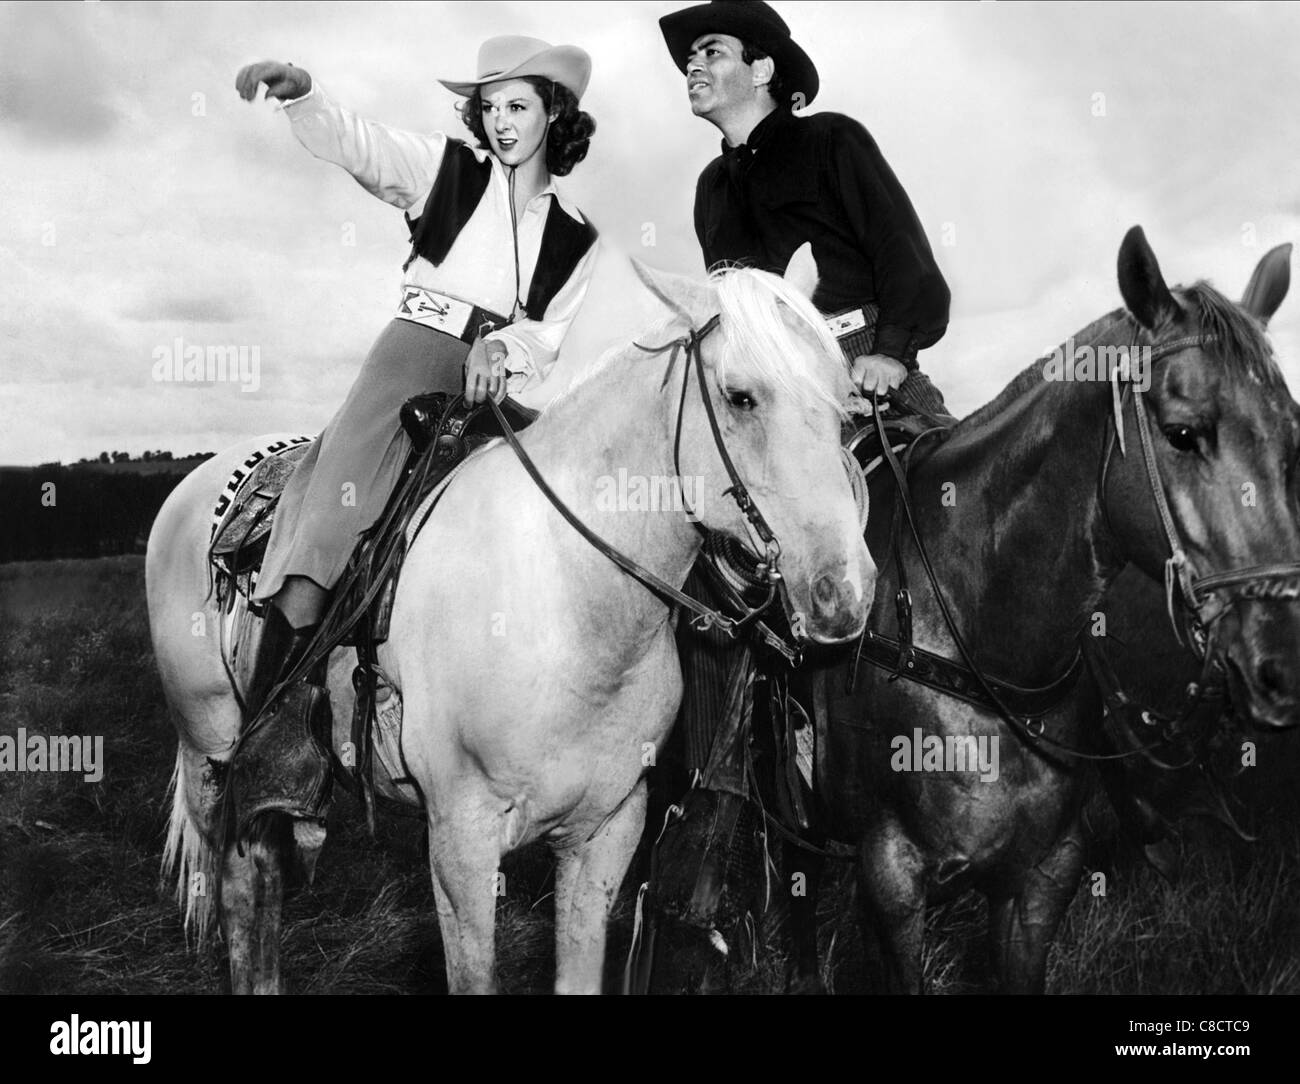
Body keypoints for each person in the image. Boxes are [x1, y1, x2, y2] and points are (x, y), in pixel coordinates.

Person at [648, 0, 951, 960]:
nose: (692, 65)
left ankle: (1034, 773)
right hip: (776, 411)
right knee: (706, 592)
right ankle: (722, 831)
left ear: (768, 68)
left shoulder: (833, 144)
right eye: (689, 54)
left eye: (711, 50)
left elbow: (916, 275)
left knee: (958, 527)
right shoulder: (707, 189)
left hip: (872, 376)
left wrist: (892, 354)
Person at [230, 37, 599, 820]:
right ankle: (275, 747)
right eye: (491, 107)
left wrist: (503, 346)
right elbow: (363, 146)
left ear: (554, 115)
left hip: (490, 382)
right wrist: (303, 94)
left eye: (519, 107)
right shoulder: (446, 171)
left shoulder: (579, 236)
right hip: (407, 361)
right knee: (330, 521)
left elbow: (549, 333)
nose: (501, 123)